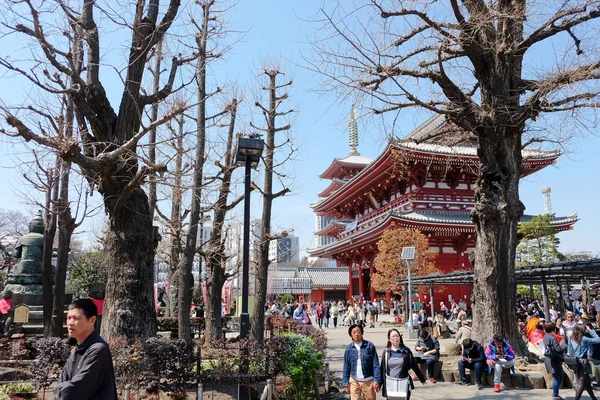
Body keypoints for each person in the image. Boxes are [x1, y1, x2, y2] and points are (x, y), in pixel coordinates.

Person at [54, 298, 117, 400]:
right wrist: (60, 391)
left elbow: (75, 390)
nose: (70, 323)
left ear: (92, 320)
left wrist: (60, 392)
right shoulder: (76, 350)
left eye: (76, 318)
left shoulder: (98, 349)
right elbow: (60, 384)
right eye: (68, 318)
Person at [380, 328, 426, 399]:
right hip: (390, 383)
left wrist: (421, 378)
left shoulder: (406, 351)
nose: (396, 338)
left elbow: (414, 365)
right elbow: (382, 369)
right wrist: (379, 383)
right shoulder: (386, 352)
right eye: (393, 336)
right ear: (389, 339)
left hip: (403, 383)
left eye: (397, 336)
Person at [342, 323, 381, 400]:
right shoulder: (349, 348)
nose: (356, 334)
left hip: (368, 381)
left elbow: (376, 364)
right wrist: (345, 382)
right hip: (354, 381)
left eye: (358, 332)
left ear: (362, 333)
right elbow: (346, 366)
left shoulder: (369, 346)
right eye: (354, 332)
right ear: (351, 335)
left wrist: (377, 380)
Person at [567, 324, 600, 400]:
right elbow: (598, 339)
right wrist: (591, 331)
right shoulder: (584, 338)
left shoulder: (570, 338)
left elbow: (570, 352)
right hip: (583, 362)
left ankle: (593, 398)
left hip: (575, 362)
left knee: (587, 382)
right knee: (581, 382)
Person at [543, 322, 567, 400]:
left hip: (548, 358)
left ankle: (555, 394)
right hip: (554, 359)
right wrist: (564, 346)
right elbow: (558, 349)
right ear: (553, 329)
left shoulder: (545, 336)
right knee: (557, 377)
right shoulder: (552, 338)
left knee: (557, 376)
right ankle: (555, 395)